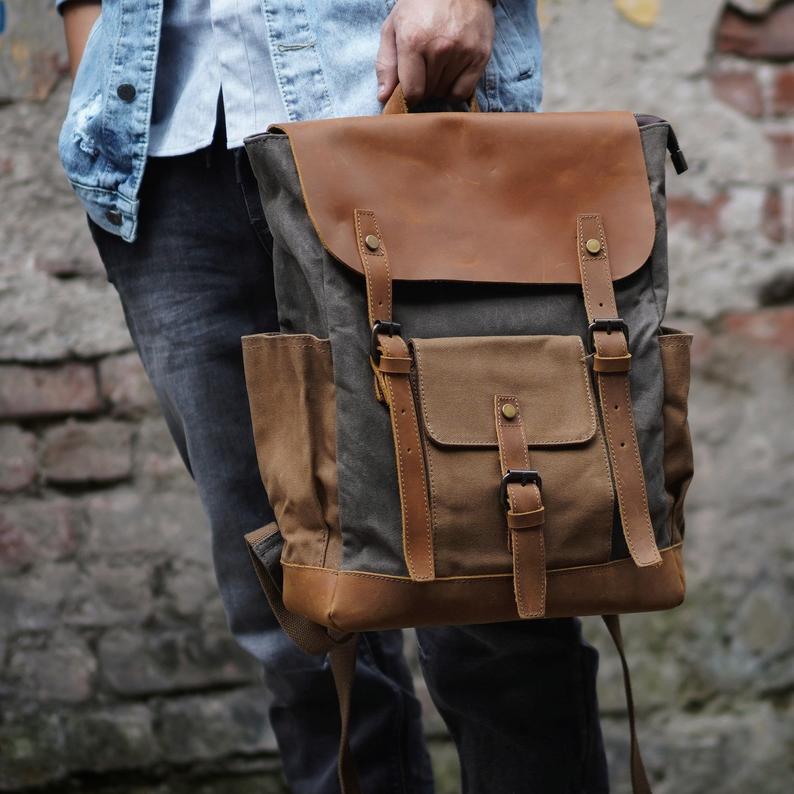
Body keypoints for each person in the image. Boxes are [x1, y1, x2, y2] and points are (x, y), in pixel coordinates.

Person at [58, 2, 608, 791]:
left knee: (494, 603)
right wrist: (91, 49)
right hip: (169, 158)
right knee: (297, 629)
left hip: (397, 115)